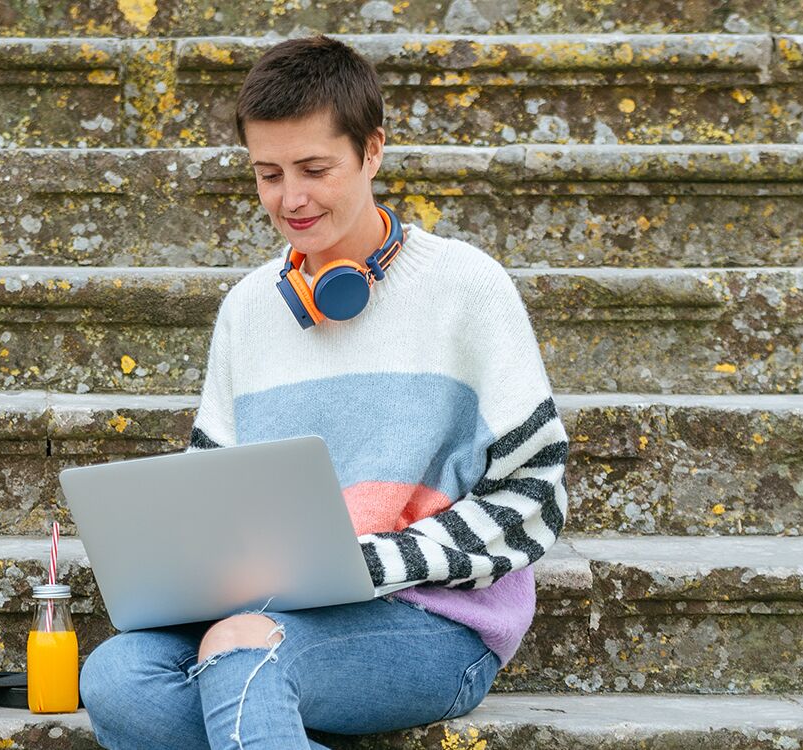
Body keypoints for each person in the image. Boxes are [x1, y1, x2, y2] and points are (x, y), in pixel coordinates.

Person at [78, 35, 570, 749]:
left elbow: (534, 499)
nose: (291, 199)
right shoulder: (248, 310)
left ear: (372, 151)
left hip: (435, 624)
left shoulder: (467, 290)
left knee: (246, 659)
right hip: (273, 615)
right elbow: (210, 495)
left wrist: (366, 564)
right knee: (117, 677)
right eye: (268, 173)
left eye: (315, 168)